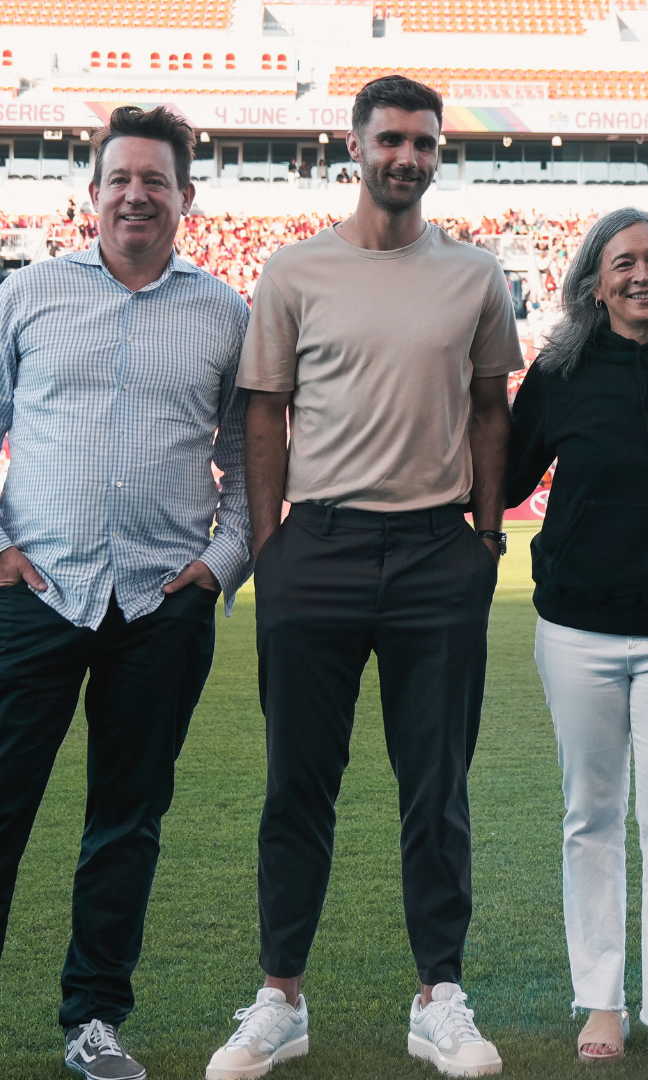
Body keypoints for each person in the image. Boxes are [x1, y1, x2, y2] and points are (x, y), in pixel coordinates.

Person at [205, 76, 521, 1080]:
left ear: (437, 154)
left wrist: (481, 536)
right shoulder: (294, 270)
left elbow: (489, 409)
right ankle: (279, 997)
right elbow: (264, 412)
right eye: (391, 140)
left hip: (437, 553)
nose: (408, 158)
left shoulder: (475, 273)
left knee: (438, 788)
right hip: (320, 551)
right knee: (299, 784)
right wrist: (270, 546)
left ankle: (441, 996)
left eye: (424, 144)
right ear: (356, 145)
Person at [0, 105, 251, 1080]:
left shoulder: (225, 313)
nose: (137, 194)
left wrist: (218, 568)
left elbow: (248, 457)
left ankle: (93, 1019)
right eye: (121, 178)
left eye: (157, 179)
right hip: (37, 595)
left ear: (187, 196)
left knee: (126, 822)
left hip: (162, 605)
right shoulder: (28, 296)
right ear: (91, 192)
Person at [506, 208, 648, 1072]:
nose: (644, 274)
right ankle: (600, 999)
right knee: (589, 817)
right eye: (624, 261)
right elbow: (505, 471)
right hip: (577, 627)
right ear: (593, 280)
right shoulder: (559, 371)